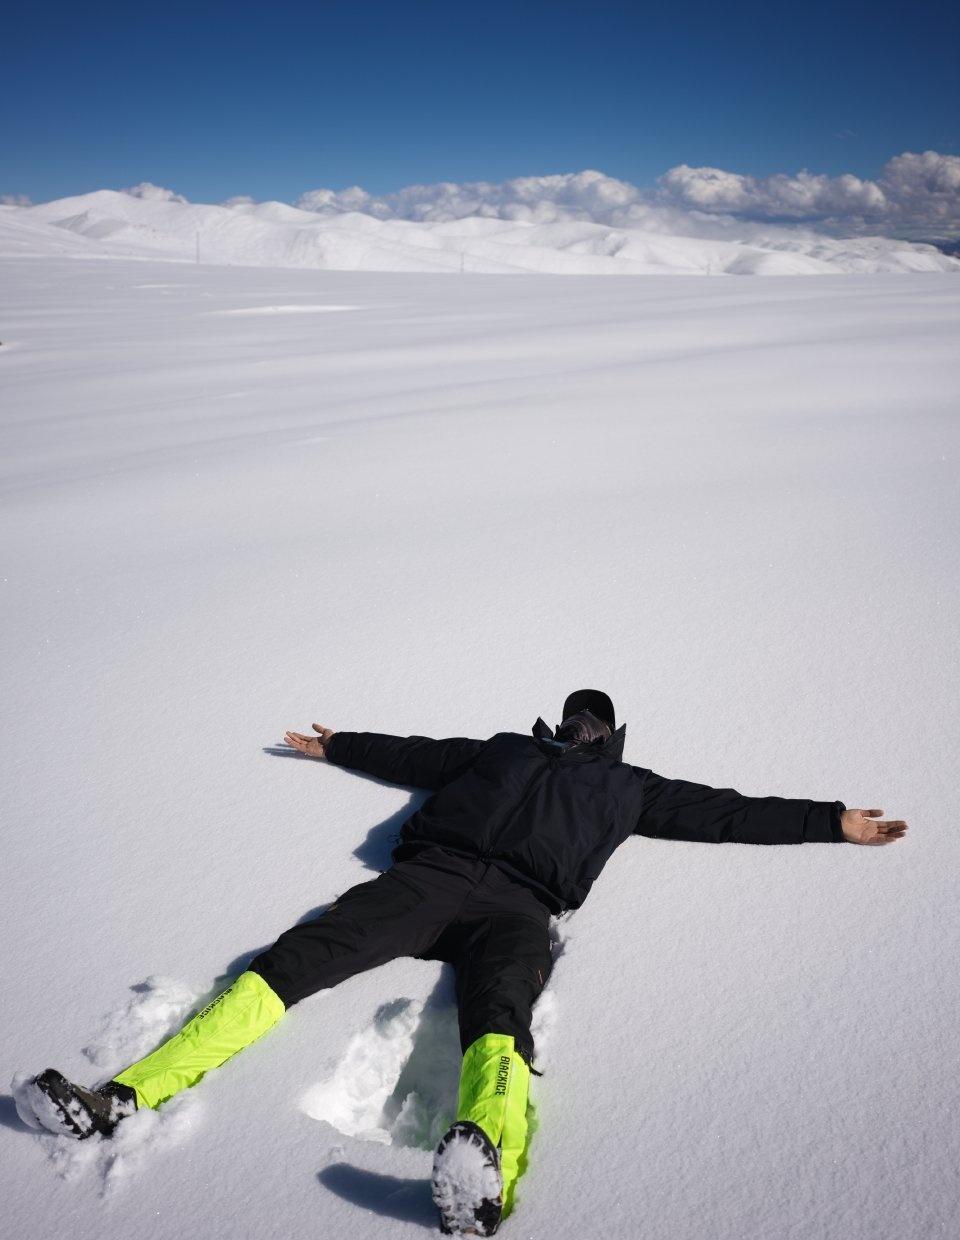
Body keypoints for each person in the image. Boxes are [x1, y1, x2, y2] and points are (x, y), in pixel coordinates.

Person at [18, 690, 907, 1237]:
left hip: (519, 908)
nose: (578, 724)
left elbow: (724, 812)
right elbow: (416, 757)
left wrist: (830, 819)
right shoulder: (503, 749)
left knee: (501, 1019)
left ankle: (483, 1181)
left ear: (613, 734)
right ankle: (123, 1099)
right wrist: (341, 746)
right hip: (427, 879)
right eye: (571, 713)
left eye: (593, 717)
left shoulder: (632, 789)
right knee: (295, 961)